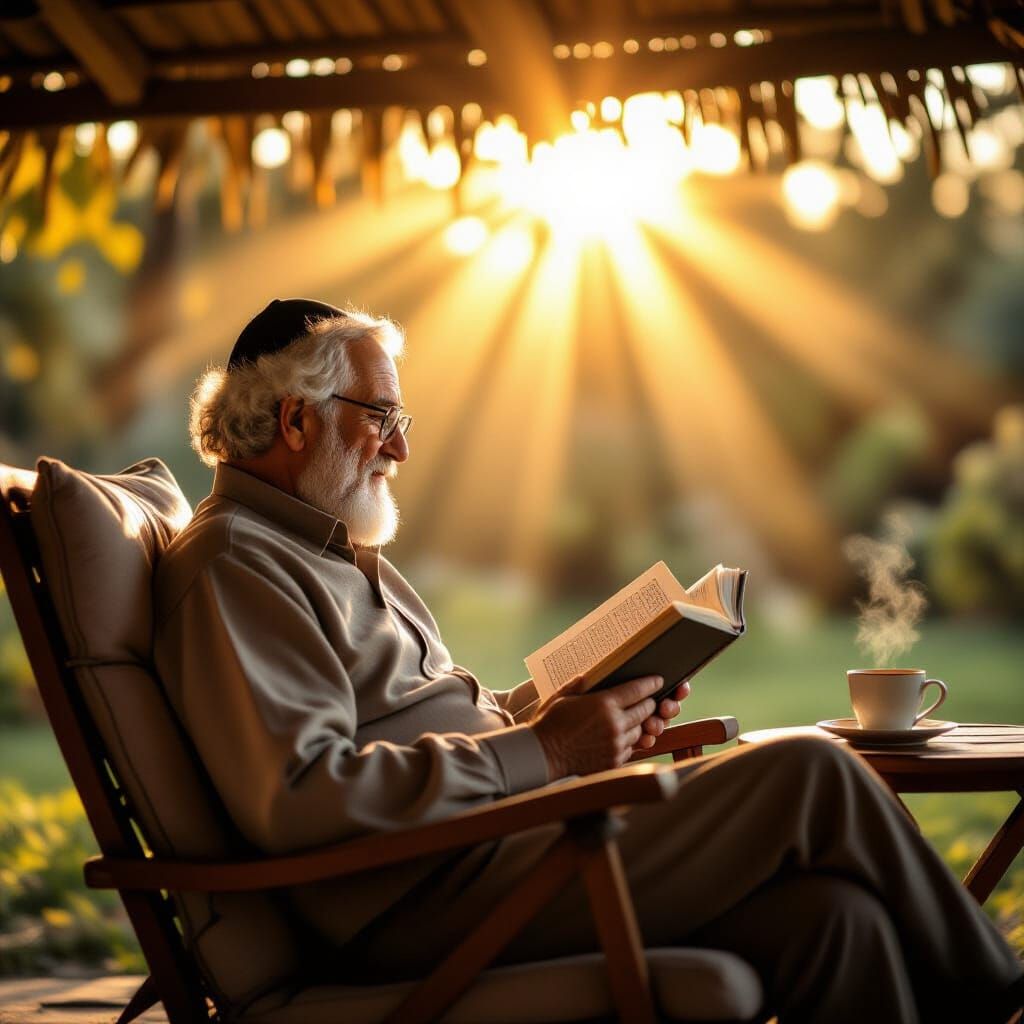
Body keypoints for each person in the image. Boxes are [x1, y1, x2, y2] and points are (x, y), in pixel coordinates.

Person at [154, 298, 1023, 1024]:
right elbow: (302, 796)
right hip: (418, 900)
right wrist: (550, 753)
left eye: (399, 420)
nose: (401, 449)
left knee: (836, 921)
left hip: (495, 849)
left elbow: (424, 719)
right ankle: (1001, 998)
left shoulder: (329, 550)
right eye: (380, 418)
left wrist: (561, 710)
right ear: (297, 418)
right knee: (808, 773)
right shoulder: (236, 563)